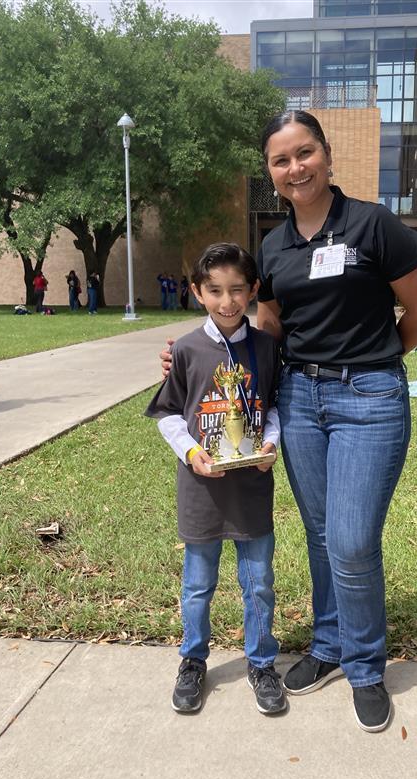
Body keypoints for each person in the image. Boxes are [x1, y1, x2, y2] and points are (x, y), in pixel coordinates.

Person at [161, 111, 417, 733]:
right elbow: (271, 325)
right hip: (300, 399)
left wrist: (377, 359)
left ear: (327, 154)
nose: (295, 168)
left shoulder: (373, 224)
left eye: (304, 153)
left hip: (367, 399)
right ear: (271, 172)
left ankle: (366, 666)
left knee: (351, 540)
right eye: (281, 161)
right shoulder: (273, 246)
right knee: (319, 533)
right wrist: (201, 350)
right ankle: (331, 642)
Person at [146, 242, 285, 717]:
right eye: (215, 290)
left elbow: (274, 408)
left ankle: (262, 662)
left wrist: (271, 445)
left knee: (259, 582)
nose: (227, 301)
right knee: (198, 584)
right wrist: (190, 451)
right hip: (202, 490)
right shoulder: (184, 350)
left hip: (250, 488)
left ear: (252, 291)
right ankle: (192, 658)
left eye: (237, 290)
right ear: (197, 293)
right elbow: (167, 414)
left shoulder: (266, 348)